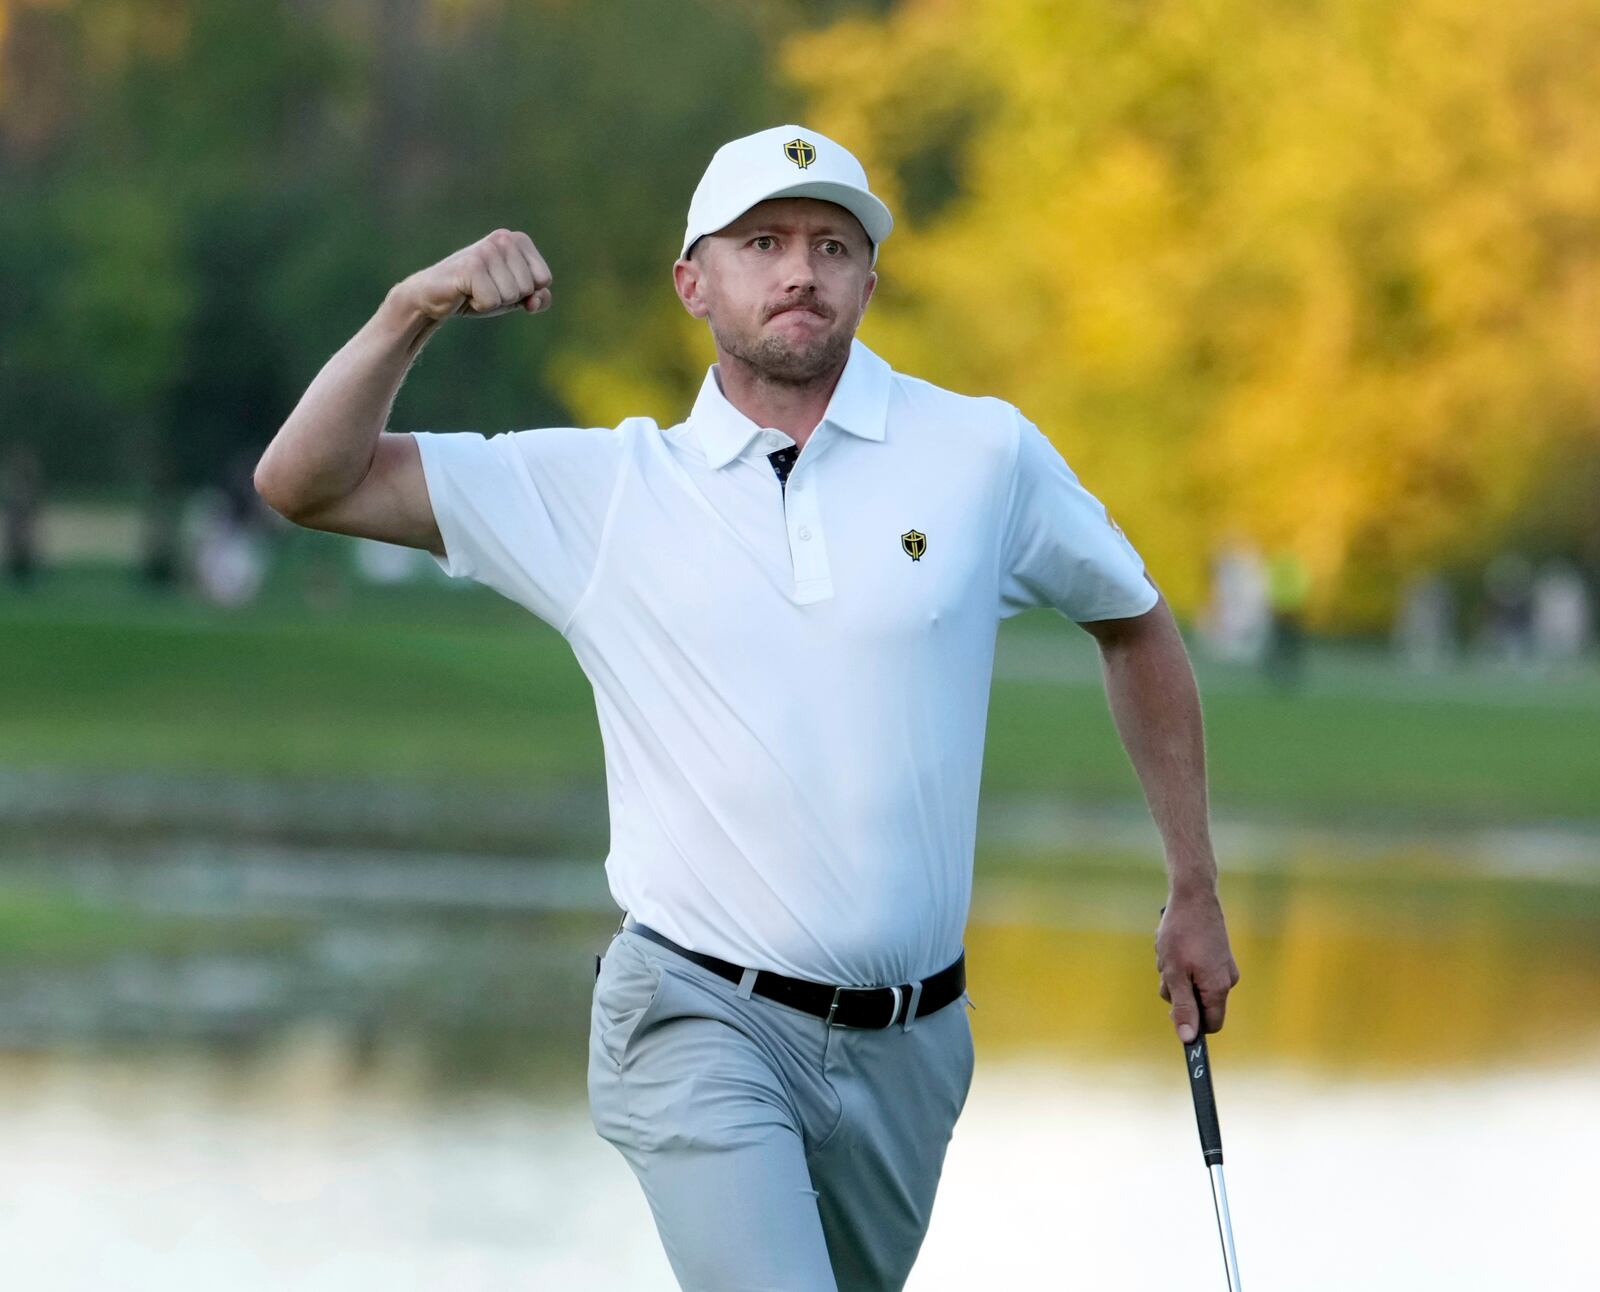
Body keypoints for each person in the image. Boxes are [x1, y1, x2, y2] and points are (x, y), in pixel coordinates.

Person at [253, 123, 1239, 1291]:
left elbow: (1132, 618)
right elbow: (303, 479)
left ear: (870, 280)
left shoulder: (981, 454)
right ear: (693, 281)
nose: (798, 270)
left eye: (832, 244)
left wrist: (1193, 884)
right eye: (761, 241)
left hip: (914, 1047)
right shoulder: (605, 487)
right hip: (696, 1015)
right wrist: (412, 307)